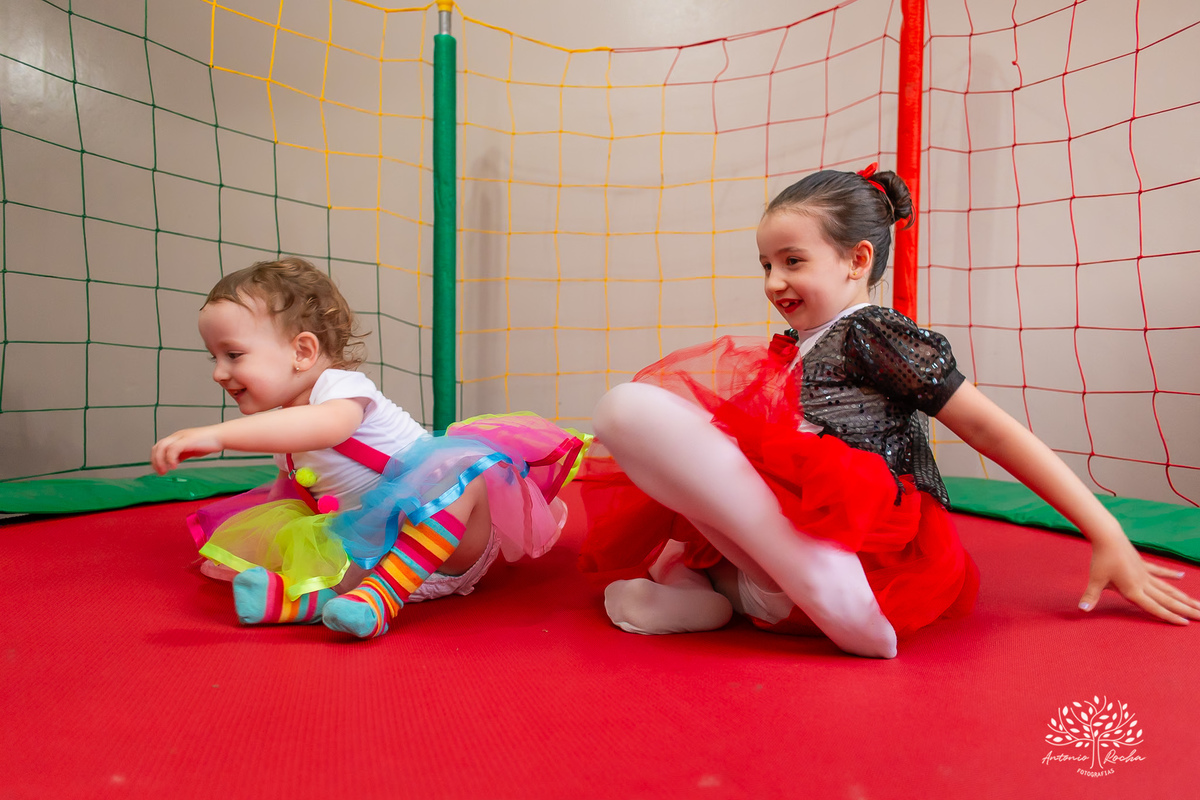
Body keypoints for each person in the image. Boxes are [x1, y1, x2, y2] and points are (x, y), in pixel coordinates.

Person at [579, 164, 1200, 658]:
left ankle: (816, 579)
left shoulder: (873, 332)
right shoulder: (797, 347)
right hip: (773, 585)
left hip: (863, 553)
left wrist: (1105, 529)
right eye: (766, 266)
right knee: (668, 523)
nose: (773, 282)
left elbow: (991, 429)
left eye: (793, 262)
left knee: (631, 408)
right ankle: (705, 599)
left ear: (857, 261)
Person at [152, 257, 586, 639]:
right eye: (214, 358)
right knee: (315, 542)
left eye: (233, 354)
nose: (219, 373)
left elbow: (325, 428)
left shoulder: (340, 391)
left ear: (303, 351)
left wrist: (218, 436)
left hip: (450, 541)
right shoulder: (285, 440)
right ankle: (308, 601)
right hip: (379, 554)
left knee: (466, 467)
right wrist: (282, 554)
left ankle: (381, 597)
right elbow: (289, 502)